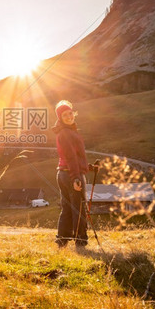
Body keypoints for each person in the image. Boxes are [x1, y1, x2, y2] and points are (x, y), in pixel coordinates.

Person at [52, 100, 89, 249]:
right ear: (60, 118)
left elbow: (74, 157)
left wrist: (87, 167)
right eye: (65, 115)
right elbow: (71, 157)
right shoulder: (67, 133)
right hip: (71, 175)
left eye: (70, 113)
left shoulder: (66, 131)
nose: (69, 116)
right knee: (79, 208)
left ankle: (62, 240)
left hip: (63, 173)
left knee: (67, 208)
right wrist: (76, 177)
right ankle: (80, 241)